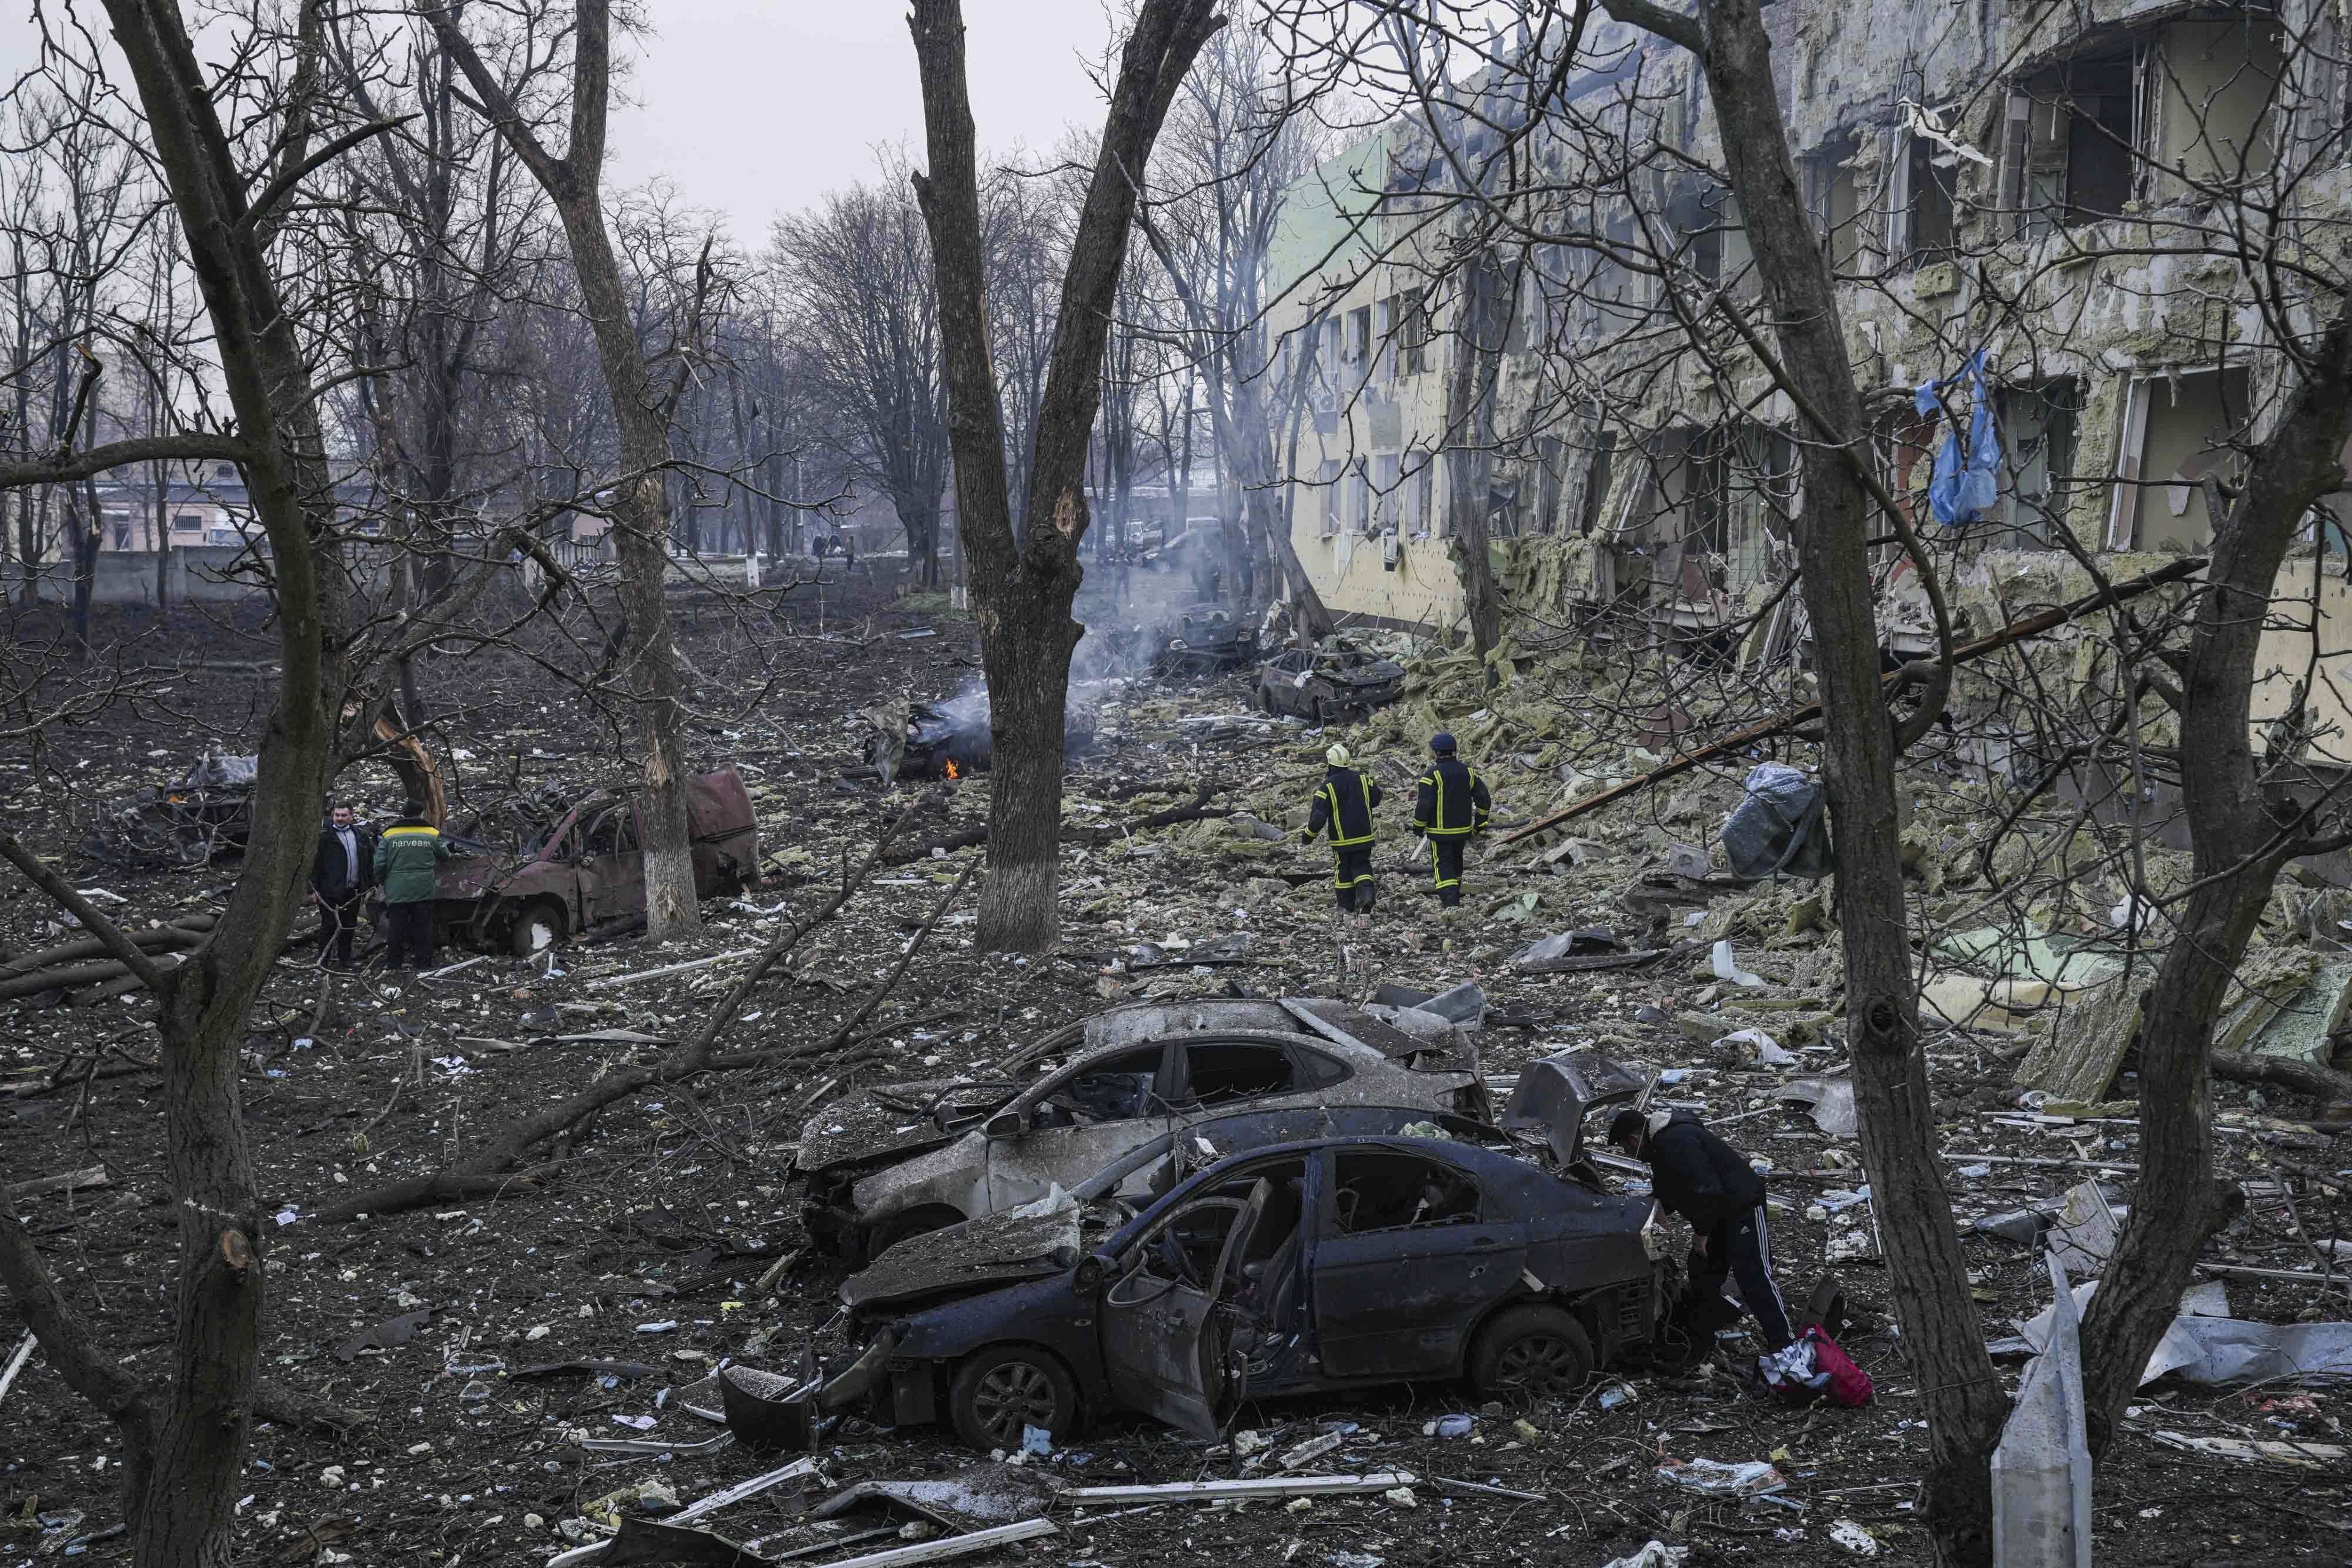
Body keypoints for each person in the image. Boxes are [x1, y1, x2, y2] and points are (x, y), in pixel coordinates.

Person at [1608, 1106, 1794, 1355]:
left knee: (1755, 1278)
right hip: (1716, 1212)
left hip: (1741, 1207)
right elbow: (1668, 1192)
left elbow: (1707, 1189)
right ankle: (1704, 1331)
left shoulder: (1675, 1142)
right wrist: (1641, 1212)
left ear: (1634, 1139)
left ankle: (1785, 1345)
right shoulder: (1660, 1147)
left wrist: (1702, 1232)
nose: (1628, 1154)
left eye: (1625, 1148)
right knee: (1702, 1271)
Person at [1303, 743, 1383, 920]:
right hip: (1365, 836)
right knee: (1362, 866)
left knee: (1343, 871)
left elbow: (1318, 816)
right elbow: (1377, 798)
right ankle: (1367, 896)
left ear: (1330, 763)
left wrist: (1308, 836)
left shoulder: (1327, 786)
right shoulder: (1363, 779)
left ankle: (1346, 908)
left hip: (1342, 840)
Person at [1411, 731, 1490, 908]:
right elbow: (1484, 798)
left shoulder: (1431, 775)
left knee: (1443, 864)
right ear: (1454, 750)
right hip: (1462, 832)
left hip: (1440, 833)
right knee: (1457, 860)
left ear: (1436, 753)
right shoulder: (1468, 773)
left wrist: (1418, 826)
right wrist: (1480, 824)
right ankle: (1455, 895)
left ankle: (1451, 903)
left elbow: (1424, 805)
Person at [373, 801, 449, 971]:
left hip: (397, 889)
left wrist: (383, 881)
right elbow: (445, 855)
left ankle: (394, 963)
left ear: (403, 815)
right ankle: (423, 963)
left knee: (397, 927)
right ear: (421, 814)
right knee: (423, 926)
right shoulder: (431, 833)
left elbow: (379, 864)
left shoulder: (389, 835)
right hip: (423, 889)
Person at [310, 801, 373, 969]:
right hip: (329, 891)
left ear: (352, 817)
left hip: (353, 891)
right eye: (337, 815)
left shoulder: (360, 836)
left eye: (344, 815)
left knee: (349, 926)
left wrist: (370, 884)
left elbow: (369, 862)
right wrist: (313, 890)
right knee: (329, 926)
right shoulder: (324, 838)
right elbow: (313, 866)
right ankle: (323, 961)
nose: (340, 819)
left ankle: (345, 960)